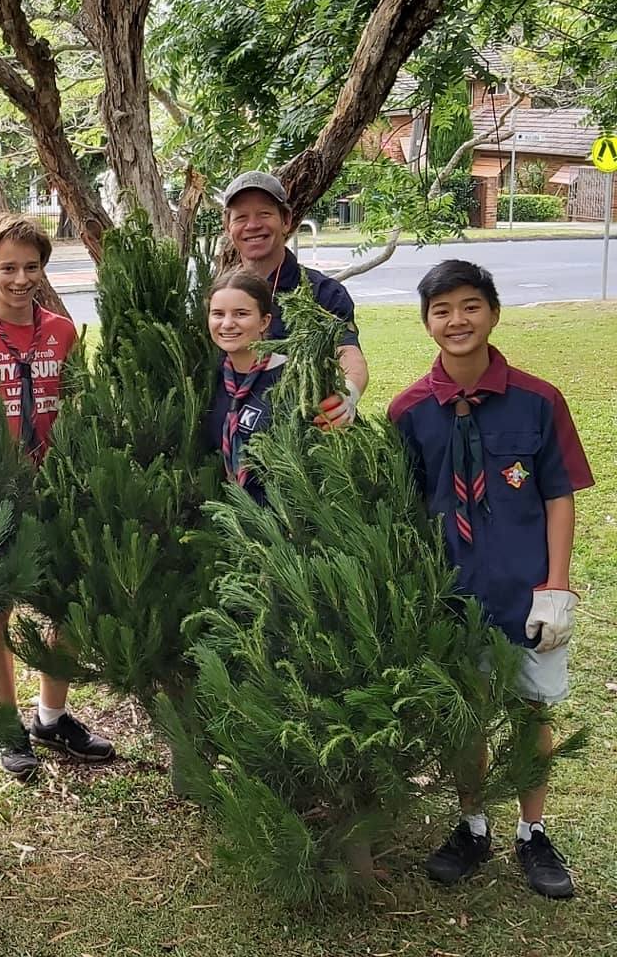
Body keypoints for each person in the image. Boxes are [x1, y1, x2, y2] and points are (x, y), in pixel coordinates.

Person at [389, 260, 594, 899]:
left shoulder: (539, 399)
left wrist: (556, 586)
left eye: (470, 306)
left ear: (494, 313)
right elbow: (404, 508)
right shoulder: (409, 411)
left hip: (524, 590)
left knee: (530, 710)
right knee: (466, 714)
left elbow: (559, 495)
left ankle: (533, 833)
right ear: (426, 323)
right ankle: (472, 824)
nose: (457, 320)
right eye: (442, 310)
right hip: (450, 594)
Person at [0, 212, 115, 781]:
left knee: (64, 608)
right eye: (8, 268)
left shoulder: (61, 331)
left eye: (31, 267)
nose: (20, 279)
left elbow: (72, 402)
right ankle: (7, 727)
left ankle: (50, 717)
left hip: (53, 488)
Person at [220, 170, 369, 430]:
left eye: (264, 214)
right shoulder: (220, 296)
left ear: (286, 219)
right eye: (241, 217)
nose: (253, 225)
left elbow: (347, 352)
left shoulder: (324, 293)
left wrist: (349, 394)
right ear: (228, 226)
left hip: (300, 441)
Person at [203, 270, 288, 503]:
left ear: (264, 321)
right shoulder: (207, 378)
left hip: (283, 523)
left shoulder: (291, 379)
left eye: (241, 314)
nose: (227, 324)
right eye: (218, 314)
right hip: (224, 520)